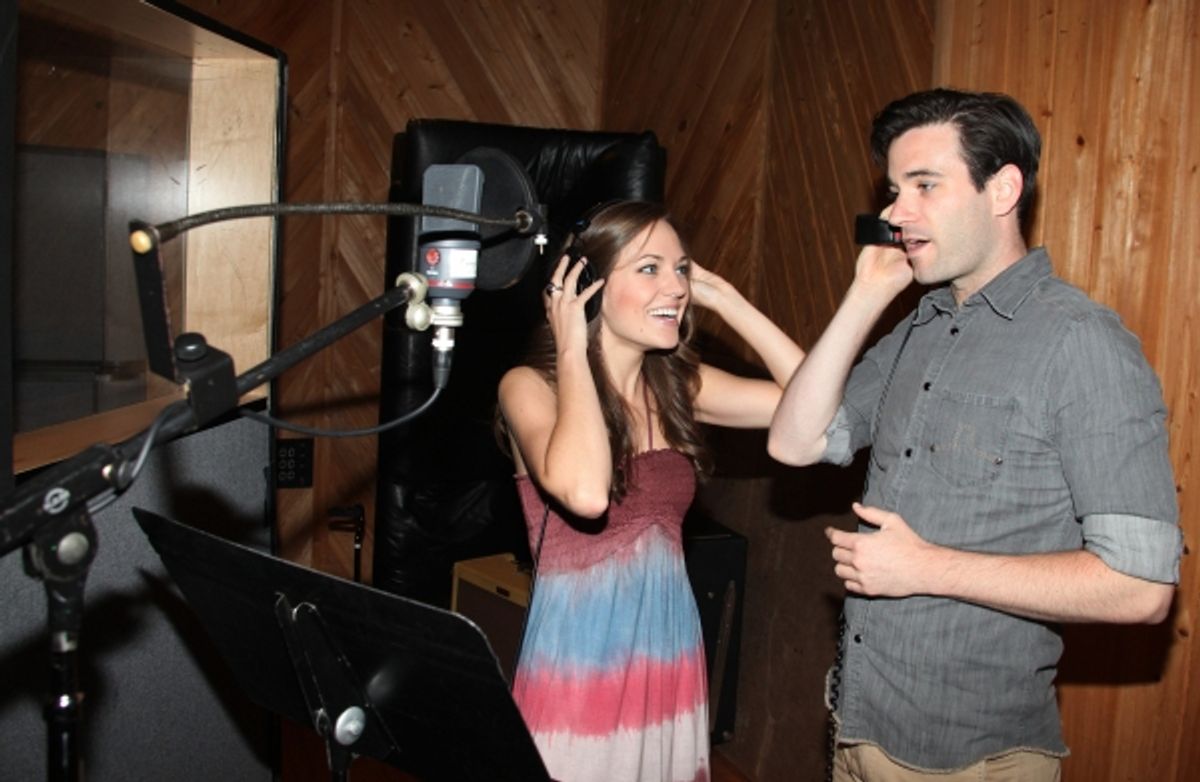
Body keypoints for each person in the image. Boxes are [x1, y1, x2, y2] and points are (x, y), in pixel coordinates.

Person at [767, 87, 1181, 781]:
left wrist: (926, 568)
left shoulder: (1082, 343)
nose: (895, 213)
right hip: (859, 728)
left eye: (925, 185)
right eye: (894, 191)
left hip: (970, 759)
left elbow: (1140, 586)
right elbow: (795, 442)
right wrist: (864, 295)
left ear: (1003, 190)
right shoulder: (920, 325)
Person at [497, 200, 804, 782]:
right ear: (586, 288)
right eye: (649, 268)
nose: (677, 287)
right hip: (579, 673)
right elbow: (586, 493)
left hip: (669, 658)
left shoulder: (679, 388)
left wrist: (730, 302)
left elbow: (819, 408)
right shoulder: (529, 387)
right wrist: (571, 347)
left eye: (681, 269)